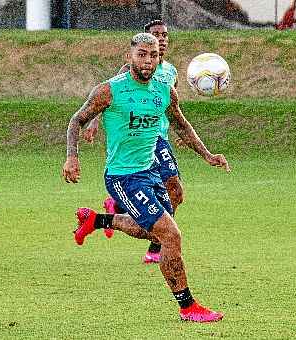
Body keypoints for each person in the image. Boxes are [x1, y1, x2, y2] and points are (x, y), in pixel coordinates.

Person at [62, 32, 230, 322]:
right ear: (129, 57)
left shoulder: (164, 90)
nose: (148, 60)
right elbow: (77, 119)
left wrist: (207, 155)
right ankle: (188, 307)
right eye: (142, 54)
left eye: (153, 55)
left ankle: (97, 220)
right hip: (123, 177)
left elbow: (181, 125)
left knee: (149, 232)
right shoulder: (110, 91)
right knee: (171, 235)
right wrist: (72, 156)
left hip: (150, 172)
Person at [83, 20, 183, 264]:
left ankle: (115, 211)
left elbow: (173, 110)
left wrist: (183, 135)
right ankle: (157, 243)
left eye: (164, 35)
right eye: (155, 35)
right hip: (143, 144)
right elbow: (106, 101)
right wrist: (95, 122)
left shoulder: (170, 72)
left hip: (160, 139)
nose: (161, 38)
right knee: (171, 192)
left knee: (176, 194)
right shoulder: (127, 73)